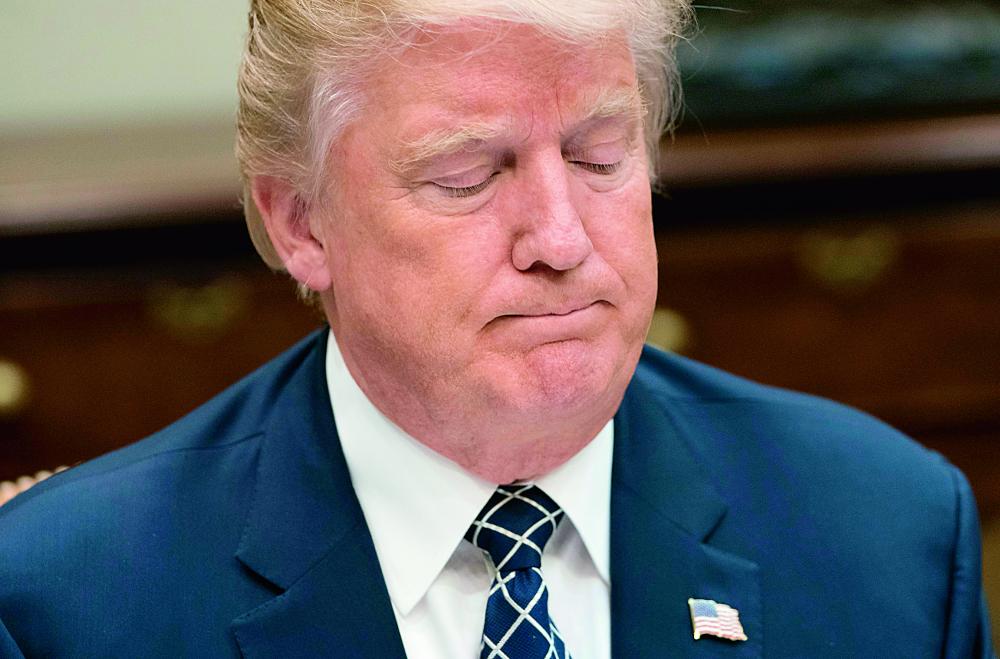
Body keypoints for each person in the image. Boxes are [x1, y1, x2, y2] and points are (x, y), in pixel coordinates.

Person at [0, 0, 992, 656]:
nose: (562, 238)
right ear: (300, 222)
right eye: (468, 175)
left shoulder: (890, 534)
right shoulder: (64, 602)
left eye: (601, 156)